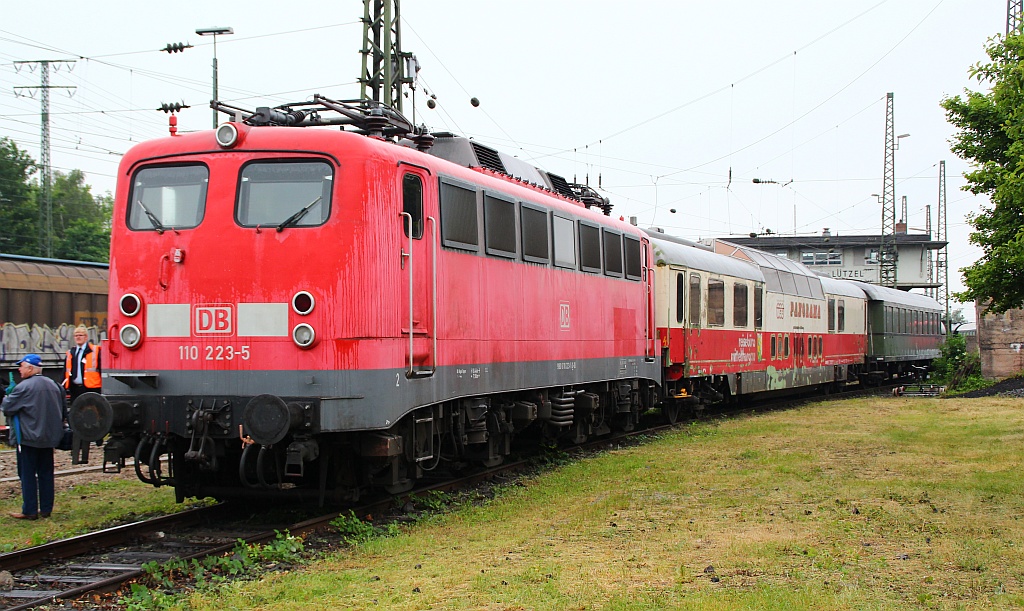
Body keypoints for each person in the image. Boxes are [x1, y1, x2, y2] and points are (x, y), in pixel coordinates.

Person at [1, 354, 65, 520]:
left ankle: (29, 510)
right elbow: (64, 411)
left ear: (30, 368)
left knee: (27, 474)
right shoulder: (54, 385)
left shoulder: (24, 387)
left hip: (28, 438)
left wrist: (8, 396)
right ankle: (46, 509)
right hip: (48, 438)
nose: (19, 370)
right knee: (46, 473)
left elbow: (7, 408)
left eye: (21, 366)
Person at [64, 325, 101, 404]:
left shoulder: (95, 351)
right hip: (74, 389)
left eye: (80, 335)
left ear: (86, 337)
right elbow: (65, 371)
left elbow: (101, 370)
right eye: (76, 336)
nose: (78, 337)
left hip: (91, 389)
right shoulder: (70, 353)